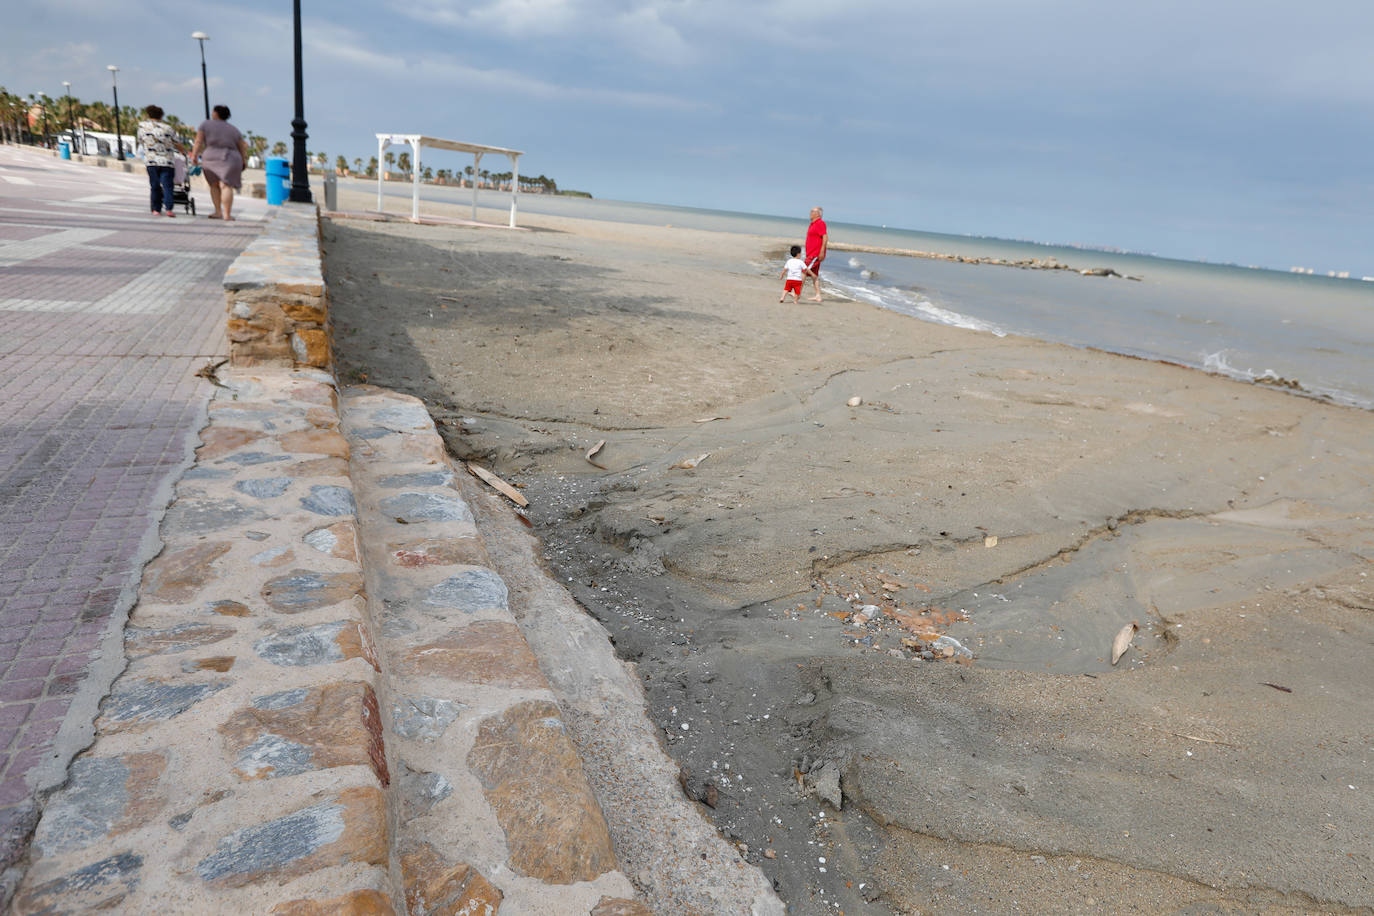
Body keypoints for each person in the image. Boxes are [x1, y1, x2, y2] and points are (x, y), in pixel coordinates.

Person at [191, 104, 249, 221]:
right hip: (231, 158)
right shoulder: (234, 129)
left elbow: (198, 141)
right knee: (226, 185)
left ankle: (218, 211)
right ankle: (227, 214)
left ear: (216, 113)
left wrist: (194, 155)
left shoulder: (205, 124)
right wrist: (243, 160)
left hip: (211, 156)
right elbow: (242, 146)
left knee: (214, 184)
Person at [136, 105, 185, 218]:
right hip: (167, 162)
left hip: (151, 161)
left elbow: (140, 140)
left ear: (149, 114)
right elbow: (177, 143)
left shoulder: (142, 126)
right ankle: (169, 209)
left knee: (155, 185)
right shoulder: (168, 128)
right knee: (168, 186)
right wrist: (183, 152)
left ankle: (156, 209)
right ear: (161, 115)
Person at [804, 206, 828, 301]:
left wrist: (821, 252)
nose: (810, 212)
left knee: (803, 270)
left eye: (812, 211)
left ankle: (796, 293)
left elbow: (825, 238)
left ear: (818, 214)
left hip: (815, 254)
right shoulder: (813, 224)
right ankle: (818, 295)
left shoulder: (820, 223)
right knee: (814, 275)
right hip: (810, 253)